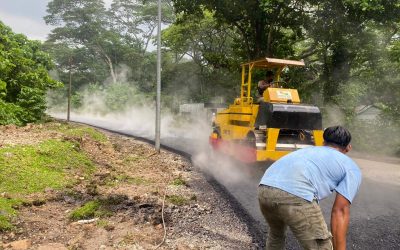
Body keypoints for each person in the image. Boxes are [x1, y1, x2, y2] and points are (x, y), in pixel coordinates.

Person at [258, 126, 362, 250]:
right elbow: (340, 211)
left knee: (276, 235)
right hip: (296, 195)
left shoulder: (306, 150)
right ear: (348, 148)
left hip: (264, 189)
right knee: (321, 246)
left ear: (323, 143)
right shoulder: (350, 166)